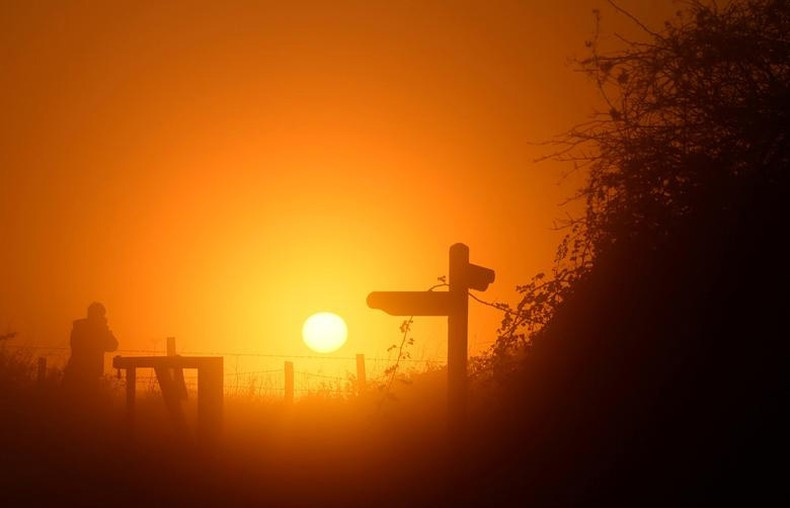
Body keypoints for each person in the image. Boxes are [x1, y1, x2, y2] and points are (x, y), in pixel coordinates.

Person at [63, 302, 118, 390]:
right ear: (97, 315)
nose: (103, 318)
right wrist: (105, 329)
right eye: (101, 315)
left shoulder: (78, 328)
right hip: (88, 375)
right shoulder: (96, 331)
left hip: (75, 372)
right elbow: (113, 345)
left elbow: (113, 345)